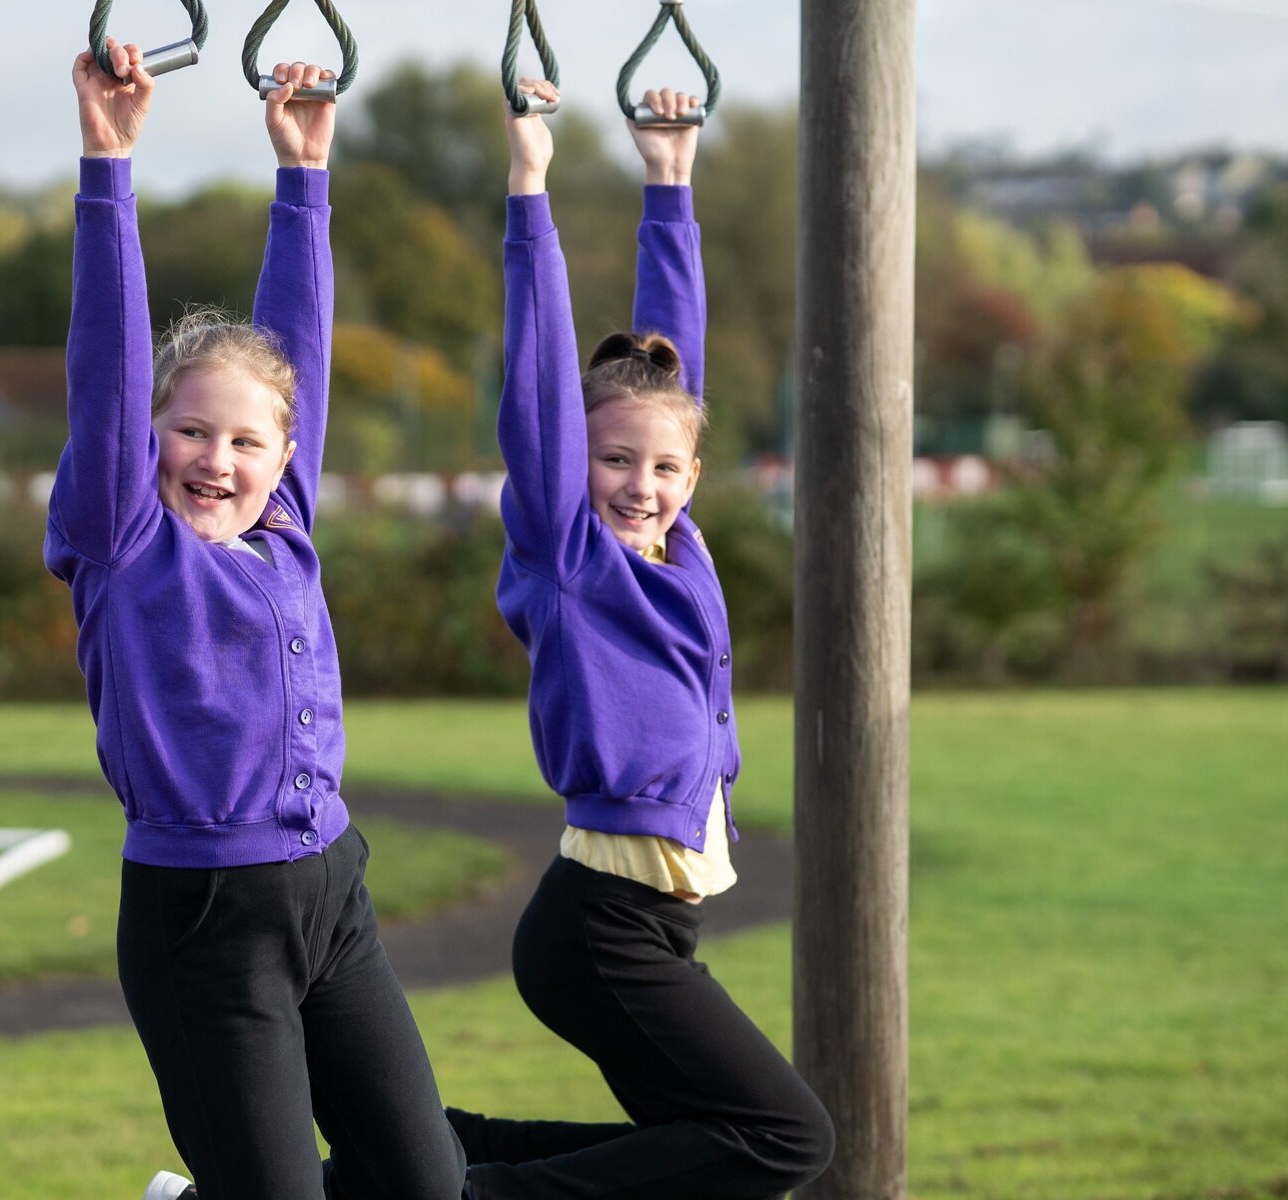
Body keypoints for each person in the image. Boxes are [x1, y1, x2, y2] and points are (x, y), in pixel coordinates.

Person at [44, 40, 466, 1200]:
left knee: (425, 1184)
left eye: (245, 441)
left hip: (331, 887)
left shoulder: (282, 524)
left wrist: (303, 177)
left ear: (283, 457)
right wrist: (108, 164)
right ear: (145, 441)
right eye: (188, 432)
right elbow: (106, 364)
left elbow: (300, 353)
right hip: (202, 919)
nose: (216, 459)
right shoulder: (124, 540)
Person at [445, 79, 835, 1199]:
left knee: (685, 1155)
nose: (639, 483)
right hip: (598, 926)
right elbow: (534, 384)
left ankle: (387, 1155)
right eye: (613, 460)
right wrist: (531, 185)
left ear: (695, 476)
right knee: (782, 1140)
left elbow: (675, 368)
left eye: (664, 467)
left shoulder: (684, 547)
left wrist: (669, 177)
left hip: (650, 927)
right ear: (574, 465)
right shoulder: (570, 559)